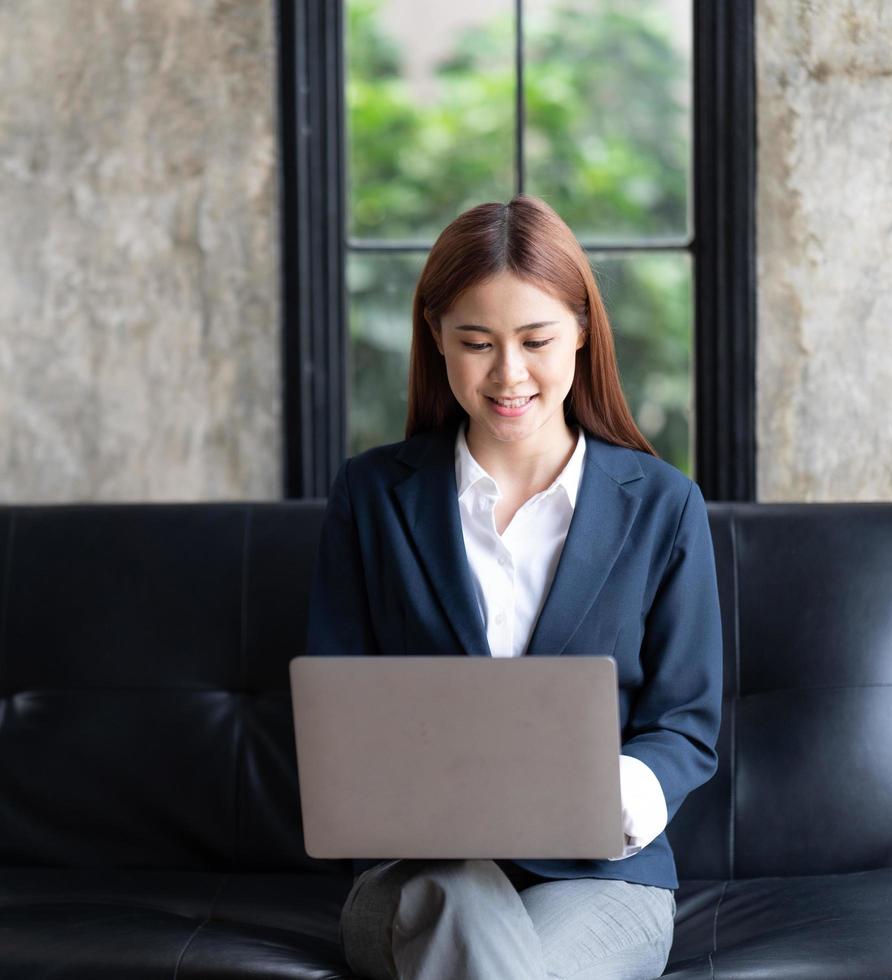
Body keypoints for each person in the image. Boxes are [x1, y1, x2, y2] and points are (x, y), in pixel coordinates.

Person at [305, 194, 723, 979]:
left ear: (582, 333)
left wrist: (614, 794)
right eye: (476, 343)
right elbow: (336, 712)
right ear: (436, 339)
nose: (509, 375)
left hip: (603, 878)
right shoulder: (371, 498)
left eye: (536, 340)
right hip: (416, 874)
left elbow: (685, 722)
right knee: (457, 908)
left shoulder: (663, 505)